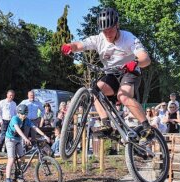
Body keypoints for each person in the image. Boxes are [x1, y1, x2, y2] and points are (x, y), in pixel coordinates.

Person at [61, 7, 153, 145]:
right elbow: (80, 45)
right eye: (104, 31)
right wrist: (69, 46)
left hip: (130, 72)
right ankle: (106, 124)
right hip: (111, 74)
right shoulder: (99, 39)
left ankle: (147, 128)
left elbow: (145, 59)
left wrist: (135, 62)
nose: (108, 33)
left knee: (122, 96)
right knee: (95, 90)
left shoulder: (128, 38)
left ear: (117, 25)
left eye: (110, 29)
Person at [3, 104, 50, 182]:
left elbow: (34, 127)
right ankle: (7, 180)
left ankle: (19, 177)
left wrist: (44, 135)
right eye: (23, 114)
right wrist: (25, 138)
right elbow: (17, 129)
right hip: (10, 139)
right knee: (11, 159)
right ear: (18, 113)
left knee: (22, 158)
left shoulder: (26, 120)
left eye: (26, 114)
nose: (24, 116)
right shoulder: (15, 119)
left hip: (18, 139)